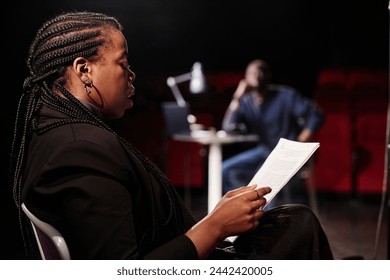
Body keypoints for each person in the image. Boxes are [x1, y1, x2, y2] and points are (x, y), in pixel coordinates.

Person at [9, 11, 333, 260]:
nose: (132, 75)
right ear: (84, 70)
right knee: (299, 227)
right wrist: (215, 226)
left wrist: (217, 218)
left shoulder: (56, 131)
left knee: (293, 220)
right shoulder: (80, 148)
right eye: (123, 63)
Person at [221, 59, 324, 207]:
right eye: (252, 72)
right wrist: (237, 96)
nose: (256, 75)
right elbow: (228, 126)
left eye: (260, 71)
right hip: (264, 150)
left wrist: (302, 138)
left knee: (265, 180)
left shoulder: (286, 95)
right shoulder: (246, 100)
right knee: (225, 170)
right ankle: (245, 206)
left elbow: (316, 114)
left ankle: (266, 219)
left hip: (286, 152)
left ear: (268, 75)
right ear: (246, 77)